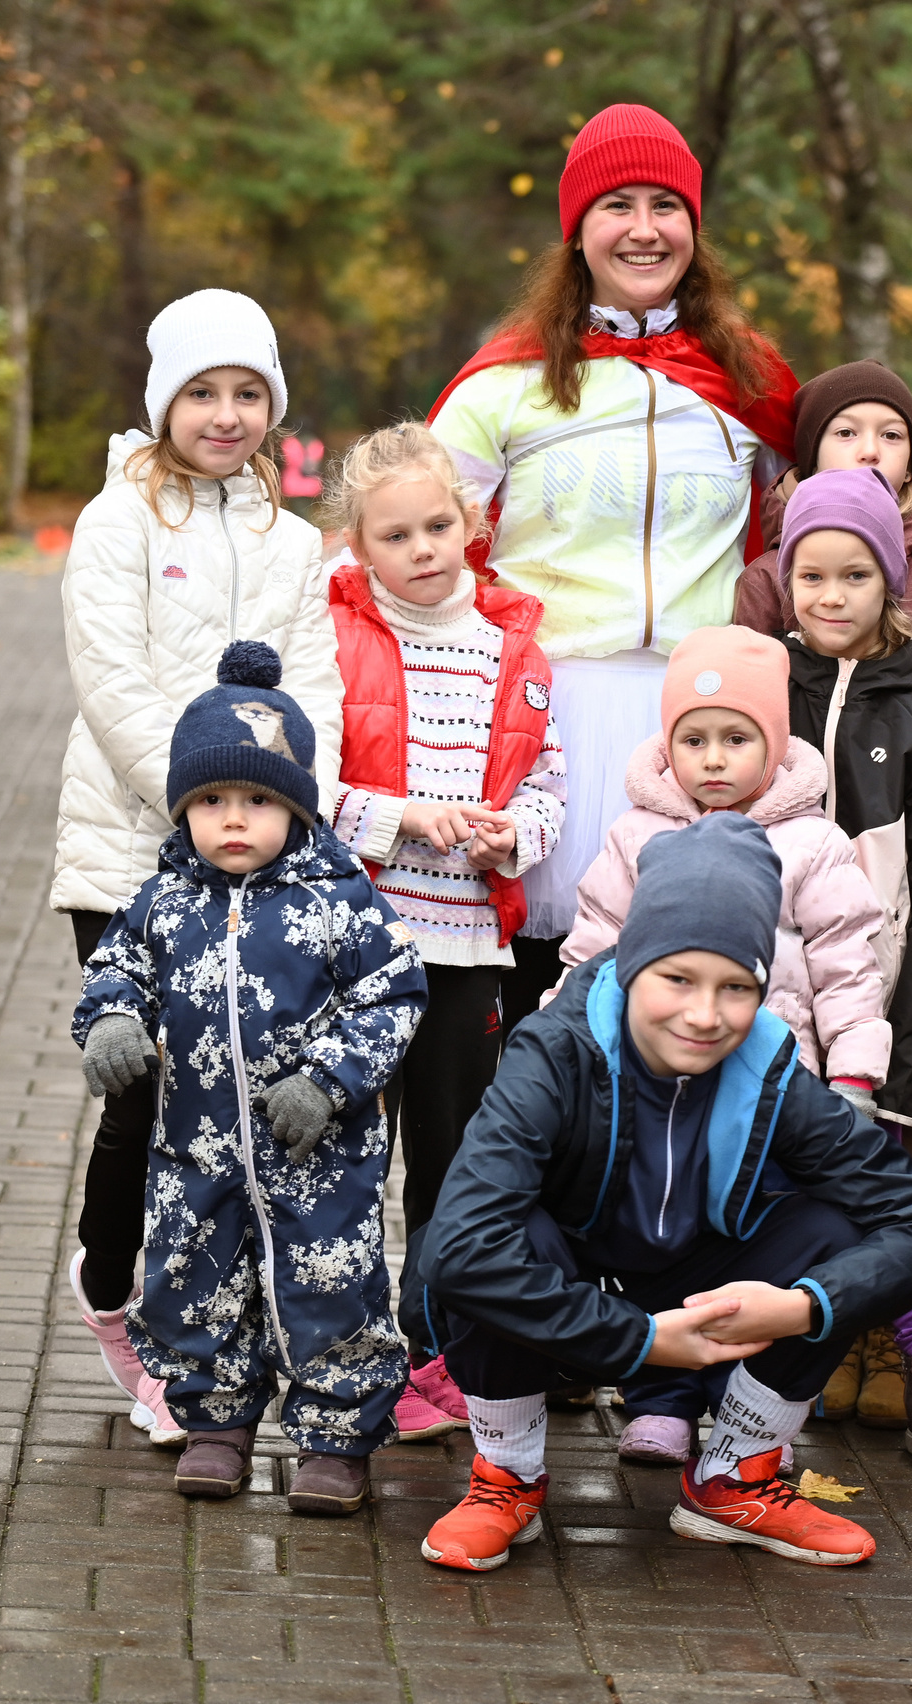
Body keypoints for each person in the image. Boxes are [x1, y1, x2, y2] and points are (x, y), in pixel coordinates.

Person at [404, 814, 912, 1572]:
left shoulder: (771, 1070)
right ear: (633, 963)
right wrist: (638, 1340)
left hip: (707, 1294)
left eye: (736, 987)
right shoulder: (555, 1050)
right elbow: (457, 1246)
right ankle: (506, 1476)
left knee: (837, 1228)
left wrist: (803, 1307)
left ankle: (735, 1478)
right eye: (678, 978)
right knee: (500, 1238)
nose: (705, 1016)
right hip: (572, 1294)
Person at [428, 102, 800, 1030]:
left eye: (666, 205)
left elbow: (833, 520)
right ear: (577, 232)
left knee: (684, 993)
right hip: (542, 721)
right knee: (535, 1002)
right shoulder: (502, 384)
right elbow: (419, 546)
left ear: (695, 227)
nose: (643, 229)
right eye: (617, 206)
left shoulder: (750, 381)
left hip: (703, 719)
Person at [50, 289, 345, 1452]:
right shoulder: (117, 521)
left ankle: (199, 1341)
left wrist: (274, 814)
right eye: (203, 392)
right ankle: (113, 1291)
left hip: (255, 853)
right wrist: (192, 806)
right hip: (130, 854)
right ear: (165, 402)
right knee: (146, 1096)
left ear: (272, 406)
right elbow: (108, 679)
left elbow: (310, 688)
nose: (225, 414)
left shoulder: (294, 537)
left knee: (226, 1106)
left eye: (248, 393)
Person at [72, 641, 426, 1510]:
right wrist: (114, 1015)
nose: (235, 818)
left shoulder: (338, 900)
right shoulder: (163, 901)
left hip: (319, 1151)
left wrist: (330, 1079)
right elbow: (117, 967)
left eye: (259, 799)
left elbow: (393, 995)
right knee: (193, 1276)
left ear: (298, 809)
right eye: (214, 800)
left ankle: (337, 1440)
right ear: (185, 808)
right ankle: (216, 1421)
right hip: (196, 1147)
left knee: (333, 1283)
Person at [556, 623, 895, 1468]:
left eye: (736, 740)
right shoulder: (640, 838)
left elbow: (849, 962)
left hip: (779, 1094)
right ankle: (662, 1397)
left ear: (773, 748)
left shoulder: (813, 845)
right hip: (657, 1090)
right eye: (693, 739)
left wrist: (853, 1070)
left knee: (765, 1247)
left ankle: (746, 1405)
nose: (713, 760)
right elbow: (593, 952)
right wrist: (567, 1055)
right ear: (666, 748)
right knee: (662, 1240)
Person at [320, 423, 567, 1442]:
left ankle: (433, 1352)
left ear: (471, 524)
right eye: (395, 536)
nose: (421, 549)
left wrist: (515, 836)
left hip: (468, 952)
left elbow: (550, 784)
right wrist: (400, 817)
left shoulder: (513, 648)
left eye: (437, 525)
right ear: (358, 545)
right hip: (355, 951)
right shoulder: (331, 641)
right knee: (342, 1156)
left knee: (451, 1160)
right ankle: (336, 1345)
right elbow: (302, 786)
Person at [762, 467, 912, 1470]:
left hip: (887, 985)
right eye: (811, 575)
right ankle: (833, 1341)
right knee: (794, 1178)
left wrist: (910, 1025)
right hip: (777, 988)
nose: (831, 596)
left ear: (889, 585)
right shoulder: (765, 690)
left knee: (900, 1168)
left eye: (855, 575)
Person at [730, 359, 912, 721]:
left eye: (892, 435)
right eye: (846, 433)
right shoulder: (767, 578)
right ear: (811, 457)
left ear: (911, 465)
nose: (870, 451)